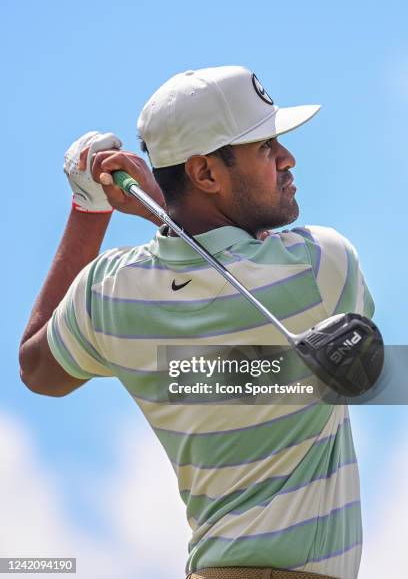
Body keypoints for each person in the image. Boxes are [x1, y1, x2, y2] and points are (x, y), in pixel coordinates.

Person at [19, 66, 374, 579]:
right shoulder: (318, 267)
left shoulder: (110, 293)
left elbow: (38, 369)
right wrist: (162, 212)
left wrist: (89, 207)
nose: (287, 160)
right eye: (265, 147)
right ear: (206, 174)